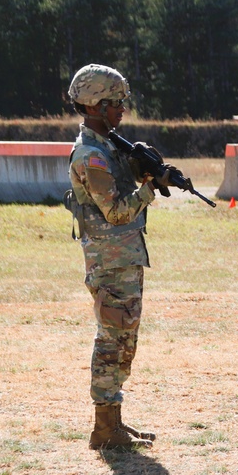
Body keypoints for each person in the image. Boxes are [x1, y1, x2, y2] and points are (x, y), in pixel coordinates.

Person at [66, 63, 173, 450]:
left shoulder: (109, 146)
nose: (122, 109)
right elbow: (115, 211)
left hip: (123, 259)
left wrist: (146, 169)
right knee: (112, 342)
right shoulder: (91, 156)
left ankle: (114, 423)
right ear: (96, 106)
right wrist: (150, 187)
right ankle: (103, 429)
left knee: (125, 343)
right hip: (110, 262)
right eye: (116, 103)